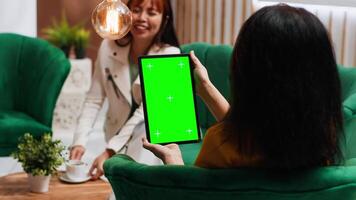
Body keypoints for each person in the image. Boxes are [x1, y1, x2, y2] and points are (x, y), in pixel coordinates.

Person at [143, 4, 344, 170]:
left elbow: (194, 192)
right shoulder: (322, 139)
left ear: (248, 74)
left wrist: (174, 163)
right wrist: (206, 88)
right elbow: (255, 140)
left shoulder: (219, 145)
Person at [70, 0, 180, 179]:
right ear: (125, 14)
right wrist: (79, 141)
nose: (142, 18)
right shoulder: (108, 46)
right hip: (115, 134)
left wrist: (109, 152)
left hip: (151, 145)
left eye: (151, 13)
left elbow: (144, 115)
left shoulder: (170, 56)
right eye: (136, 10)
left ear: (165, 20)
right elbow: (93, 100)